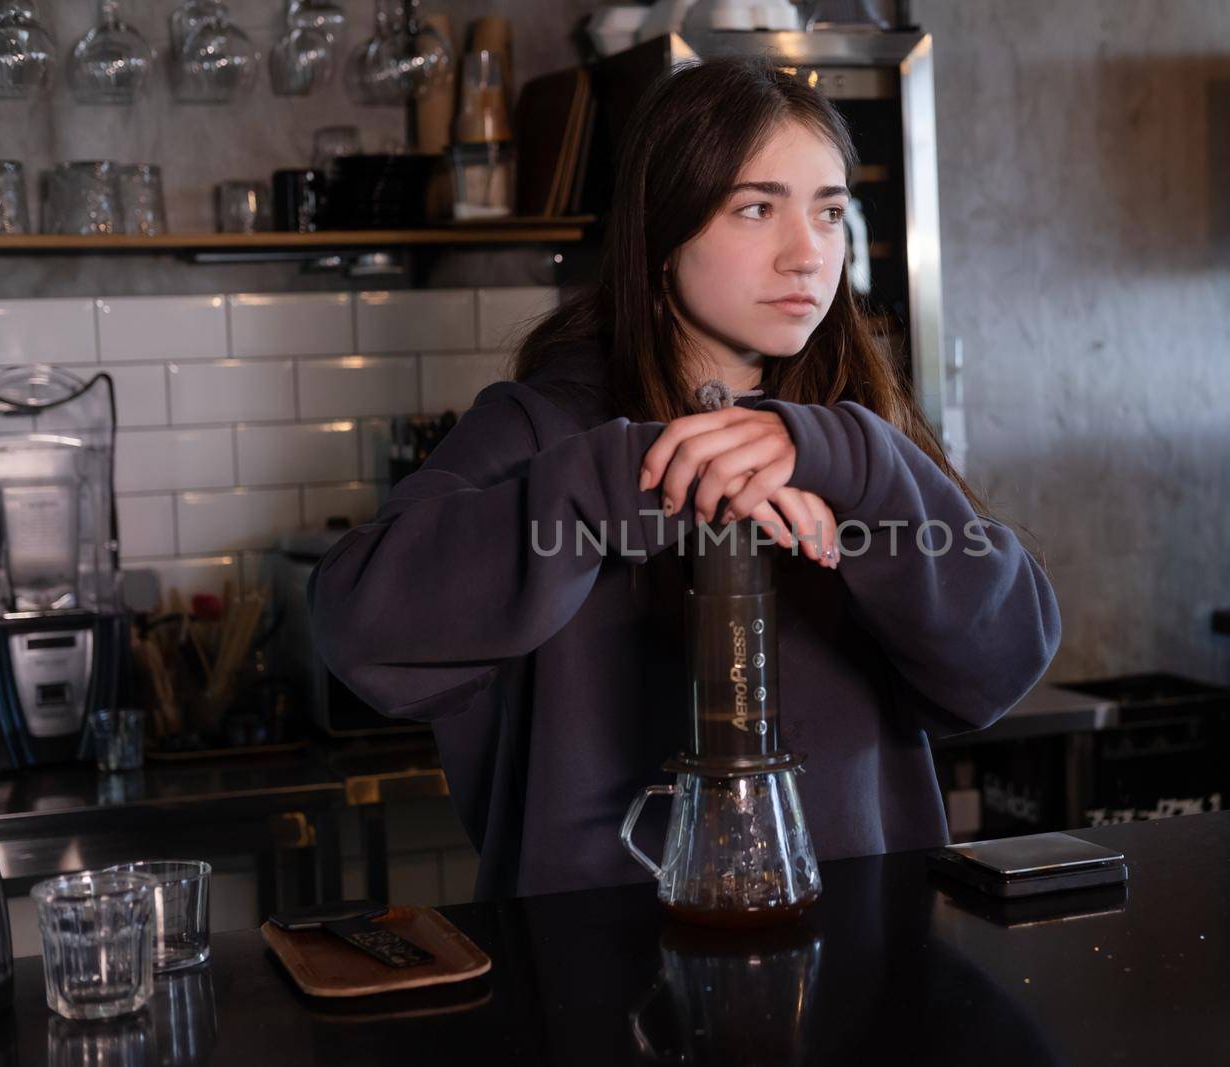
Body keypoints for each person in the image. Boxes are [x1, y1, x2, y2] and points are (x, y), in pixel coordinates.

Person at [309, 56, 1061, 899]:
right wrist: (620, 480)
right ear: (662, 237)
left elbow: (1003, 662)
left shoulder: (862, 443)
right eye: (755, 209)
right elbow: (357, 626)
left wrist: (860, 466)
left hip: (859, 968)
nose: (807, 255)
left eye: (830, 213)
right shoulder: (542, 427)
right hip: (599, 981)